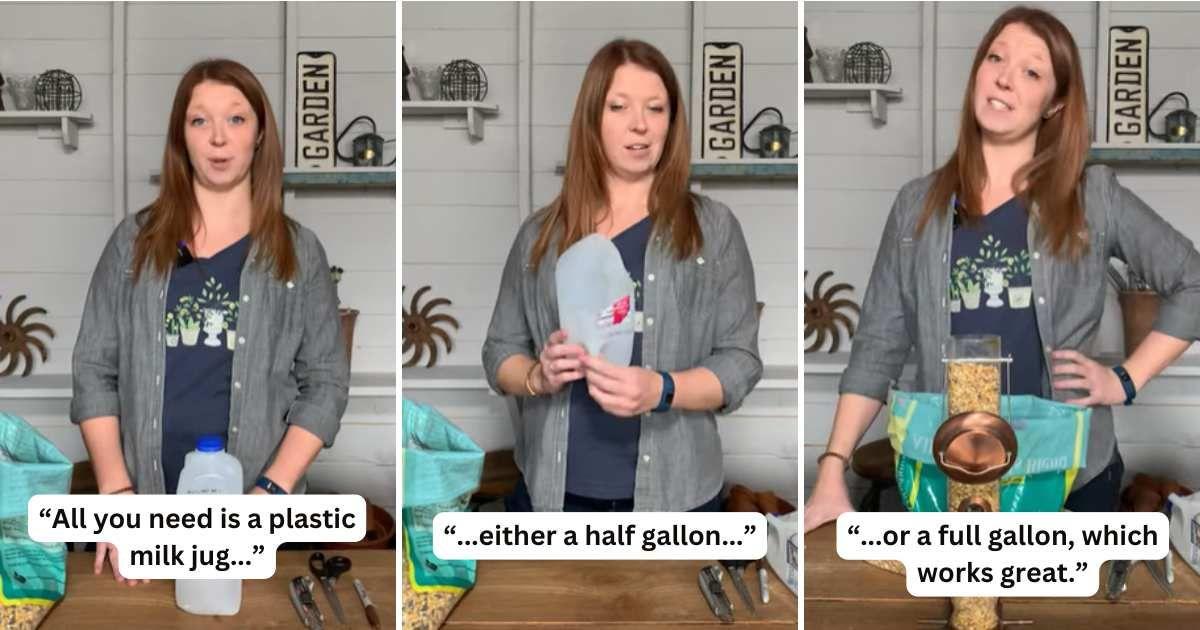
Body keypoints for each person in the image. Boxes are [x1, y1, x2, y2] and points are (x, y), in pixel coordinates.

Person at [804, 6, 1200, 532]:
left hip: (1069, 475)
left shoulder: (1093, 196)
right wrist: (832, 468)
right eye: (995, 58)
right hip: (946, 475)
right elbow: (878, 345)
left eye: (1031, 71)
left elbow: (1193, 281)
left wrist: (1124, 381)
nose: (1005, 78)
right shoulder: (916, 204)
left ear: (1054, 103)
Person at [71, 59, 349, 582]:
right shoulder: (132, 243)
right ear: (182, 135)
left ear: (260, 134)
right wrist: (116, 495)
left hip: (260, 517)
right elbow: (93, 371)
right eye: (200, 120)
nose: (218, 138)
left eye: (236, 119)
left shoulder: (300, 252)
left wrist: (269, 495)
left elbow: (326, 384)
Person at [482, 39, 763, 513]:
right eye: (619, 107)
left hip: (678, 499)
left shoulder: (712, 228)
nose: (640, 124)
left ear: (671, 122)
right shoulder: (540, 234)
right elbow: (499, 351)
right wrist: (537, 375)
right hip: (553, 499)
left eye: (656, 108)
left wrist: (662, 389)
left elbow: (741, 360)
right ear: (592, 118)